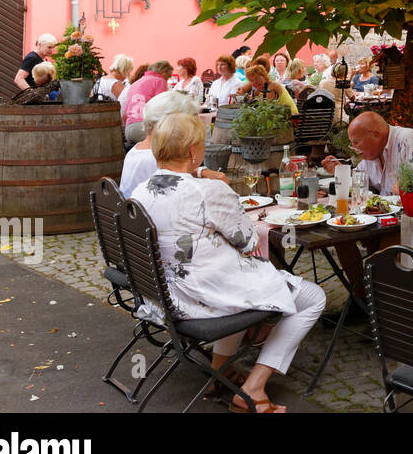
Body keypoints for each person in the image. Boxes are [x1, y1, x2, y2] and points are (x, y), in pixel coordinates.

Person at [132, 113, 325, 414]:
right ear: (195, 152)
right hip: (202, 298)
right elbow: (249, 241)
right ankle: (254, 387)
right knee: (313, 297)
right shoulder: (207, 190)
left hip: (165, 296)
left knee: (235, 280)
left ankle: (219, 373)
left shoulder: (140, 192)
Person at [120, 90, 224, 197]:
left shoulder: (137, 150)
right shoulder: (155, 158)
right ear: (171, 124)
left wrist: (200, 172)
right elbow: (183, 195)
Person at [322, 110, 413, 196]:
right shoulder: (372, 152)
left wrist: (406, 187)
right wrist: (341, 170)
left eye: (356, 142)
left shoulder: (408, 139)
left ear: (375, 135)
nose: (353, 147)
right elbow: (360, 177)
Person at [124, 62, 174, 145]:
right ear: (163, 72)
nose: (167, 80)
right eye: (168, 77)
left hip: (129, 129)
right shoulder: (159, 81)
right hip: (144, 128)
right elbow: (162, 108)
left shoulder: (136, 83)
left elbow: (125, 114)